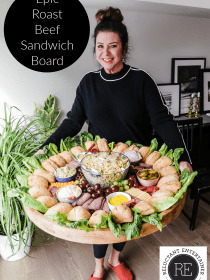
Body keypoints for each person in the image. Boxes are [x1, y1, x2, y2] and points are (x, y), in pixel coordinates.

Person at [36, 7, 193, 280]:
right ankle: (98, 267)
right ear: (94, 49)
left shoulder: (141, 81)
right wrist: (44, 146)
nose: (106, 53)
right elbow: (73, 122)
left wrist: (183, 157)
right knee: (98, 215)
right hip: (97, 165)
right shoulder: (88, 84)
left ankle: (115, 258)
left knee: (123, 214)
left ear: (124, 47)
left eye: (113, 46)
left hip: (135, 167)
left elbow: (164, 122)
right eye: (100, 46)